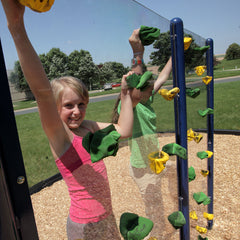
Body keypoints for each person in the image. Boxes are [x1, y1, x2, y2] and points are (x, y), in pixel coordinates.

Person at [0, 1, 139, 239]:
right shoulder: (61, 137)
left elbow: (124, 129)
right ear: (55, 109)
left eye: (81, 103)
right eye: (68, 105)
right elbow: (43, 92)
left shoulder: (89, 127)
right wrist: (16, 26)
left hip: (107, 217)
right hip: (85, 227)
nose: (76, 111)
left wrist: (127, 89)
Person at [112, 29, 179, 239]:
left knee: (155, 200)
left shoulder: (146, 100)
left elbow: (165, 75)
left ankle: (156, 229)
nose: (154, 90)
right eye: (149, 88)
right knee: (153, 204)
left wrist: (176, 53)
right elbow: (135, 78)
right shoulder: (131, 106)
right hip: (141, 167)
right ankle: (153, 233)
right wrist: (137, 52)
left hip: (152, 162)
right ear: (136, 90)